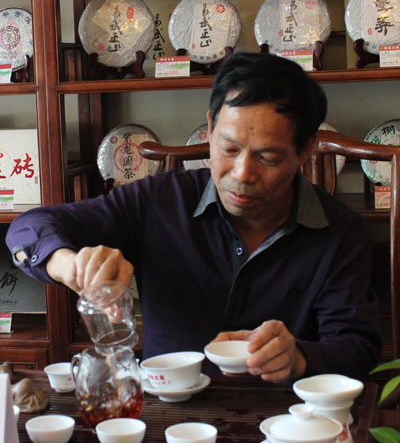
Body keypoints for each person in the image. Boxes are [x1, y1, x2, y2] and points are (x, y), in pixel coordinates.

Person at [6, 52, 381, 383]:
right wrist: (70, 265)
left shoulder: (340, 231)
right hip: (166, 415)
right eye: (229, 148)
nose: (242, 173)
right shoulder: (159, 201)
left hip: (288, 421)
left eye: (268, 157)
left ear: (306, 150)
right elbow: (26, 230)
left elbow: (357, 348)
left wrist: (298, 357)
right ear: (211, 127)